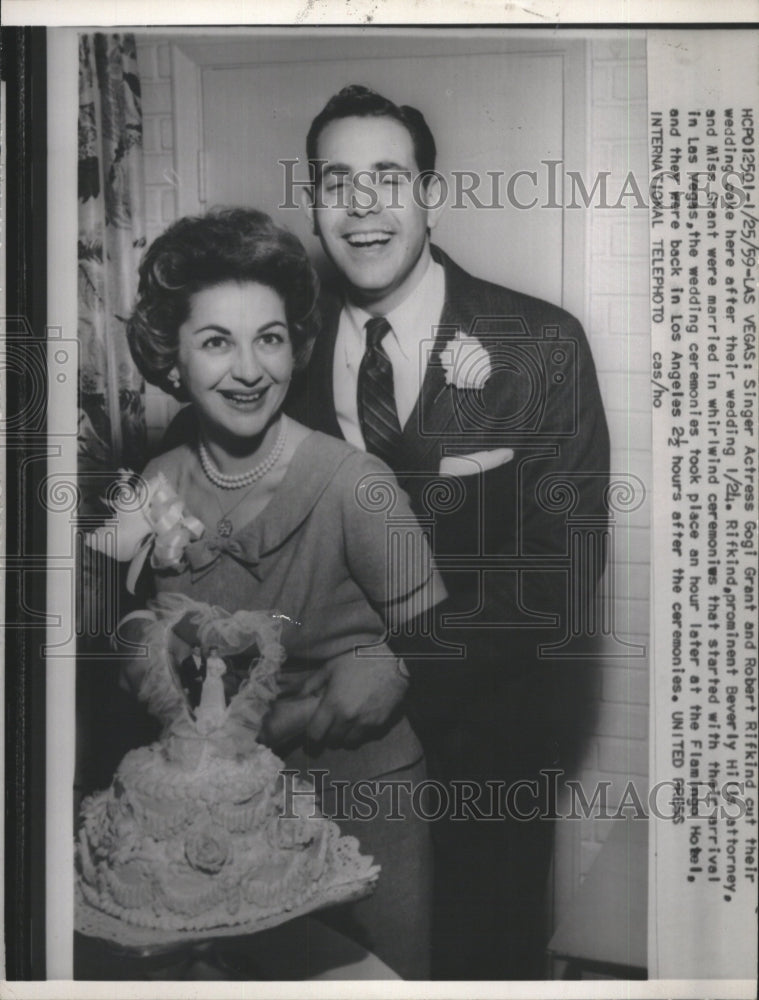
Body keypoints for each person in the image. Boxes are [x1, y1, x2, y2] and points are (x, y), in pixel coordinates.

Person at [286, 85, 611, 979]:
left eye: (387, 176)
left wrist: (397, 664)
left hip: (490, 761)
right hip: (322, 766)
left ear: (430, 194)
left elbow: (558, 575)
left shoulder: (539, 345)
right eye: (335, 180)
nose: (361, 206)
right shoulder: (277, 355)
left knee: (483, 970)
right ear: (313, 202)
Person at [123, 207, 445, 979]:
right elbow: (115, 638)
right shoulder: (152, 485)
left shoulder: (358, 486)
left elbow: (446, 653)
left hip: (358, 803)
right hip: (217, 814)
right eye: (215, 342)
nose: (247, 369)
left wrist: (388, 666)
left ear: (295, 347)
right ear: (172, 360)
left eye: (268, 338)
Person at [195, 646, 228, 733]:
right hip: (208, 680)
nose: (214, 653)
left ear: (217, 652)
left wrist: (217, 674)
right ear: (210, 652)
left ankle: (218, 716)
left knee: (217, 696)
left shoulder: (219, 661)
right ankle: (206, 716)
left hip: (217, 680)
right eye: (212, 652)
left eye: (215, 652)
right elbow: (203, 669)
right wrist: (207, 675)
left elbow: (224, 669)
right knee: (208, 696)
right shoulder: (207, 660)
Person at [178, 642, 205, 708]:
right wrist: (185, 687)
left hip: (199, 685)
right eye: (196, 650)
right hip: (190, 685)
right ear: (192, 650)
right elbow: (183, 675)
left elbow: (204, 672)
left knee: (198, 702)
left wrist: (202, 677)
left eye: (199, 650)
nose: (198, 651)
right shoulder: (186, 661)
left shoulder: (204, 660)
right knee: (191, 703)